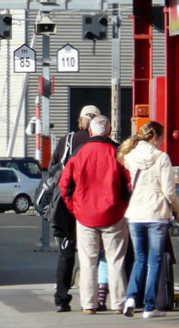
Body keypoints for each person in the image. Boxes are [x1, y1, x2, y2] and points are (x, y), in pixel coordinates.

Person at [59, 114, 131, 315]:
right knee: (116, 260)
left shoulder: (79, 154)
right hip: (114, 214)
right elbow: (130, 183)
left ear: (90, 131)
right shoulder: (118, 153)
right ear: (109, 131)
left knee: (87, 261)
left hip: (85, 215)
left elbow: (65, 185)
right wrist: (124, 206)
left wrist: (74, 208)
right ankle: (119, 303)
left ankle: (88, 304)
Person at [118, 121, 179, 319]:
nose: (163, 142)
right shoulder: (162, 158)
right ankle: (149, 306)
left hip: (135, 213)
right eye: (162, 137)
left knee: (140, 259)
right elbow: (169, 191)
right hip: (156, 213)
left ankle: (130, 297)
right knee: (154, 260)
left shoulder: (129, 156)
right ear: (155, 137)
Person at [48, 105, 101, 313]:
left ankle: (62, 298)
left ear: (80, 120)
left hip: (67, 204)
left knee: (66, 253)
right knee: (96, 254)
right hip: (95, 204)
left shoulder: (66, 141)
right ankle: (97, 298)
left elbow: (53, 170)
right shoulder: (105, 144)